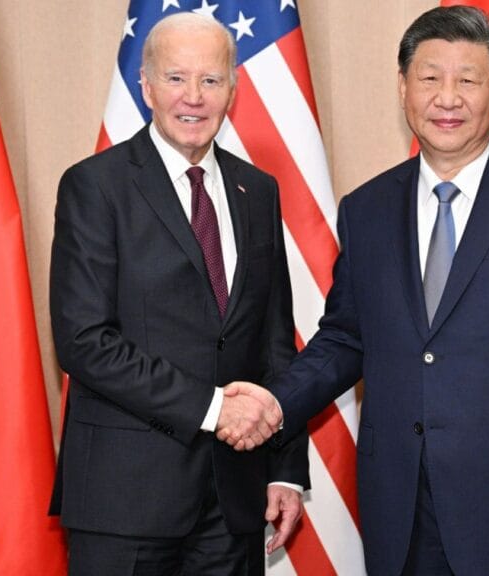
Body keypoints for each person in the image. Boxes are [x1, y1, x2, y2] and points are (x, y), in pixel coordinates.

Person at [223, 6, 489, 575]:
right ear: (403, 88)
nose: (448, 97)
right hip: (401, 503)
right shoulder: (365, 210)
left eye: (469, 79)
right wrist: (274, 401)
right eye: (431, 77)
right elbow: (345, 338)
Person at [48, 13, 308, 576]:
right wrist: (216, 409)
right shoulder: (94, 186)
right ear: (145, 86)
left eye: (211, 80)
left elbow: (273, 340)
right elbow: (84, 342)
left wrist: (285, 468)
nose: (193, 97)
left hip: (233, 499)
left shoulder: (257, 190)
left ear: (233, 89)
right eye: (175, 78)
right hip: (125, 501)